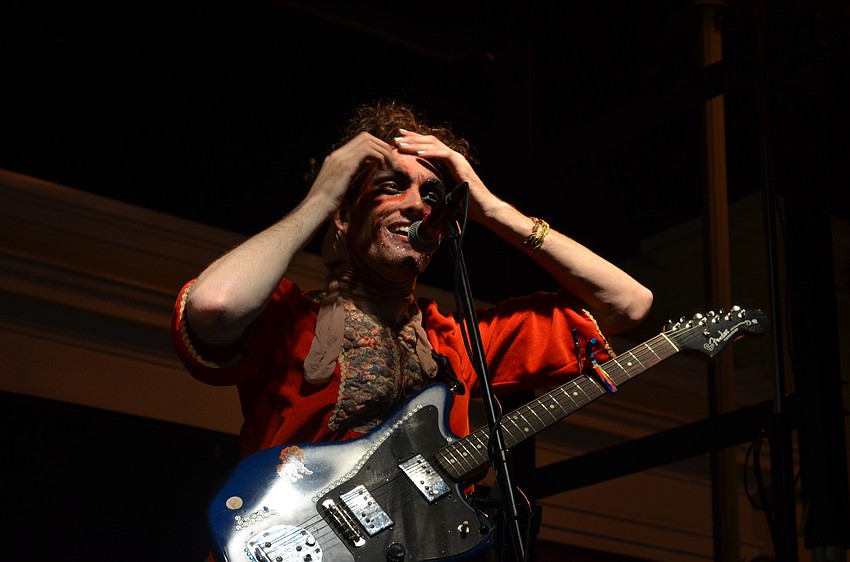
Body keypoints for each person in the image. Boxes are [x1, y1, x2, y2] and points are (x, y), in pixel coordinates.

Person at [171, 99, 653, 560]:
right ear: (344, 212)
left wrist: (488, 207)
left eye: (432, 196)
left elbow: (628, 304)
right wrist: (320, 197)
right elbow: (215, 306)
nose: (417, 206)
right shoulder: (287, 318)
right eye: (391, 186)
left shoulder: (455, 342)